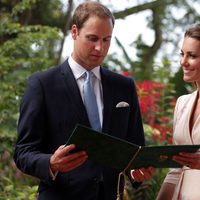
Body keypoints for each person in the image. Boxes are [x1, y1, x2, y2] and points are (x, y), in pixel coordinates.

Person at [14, 2, 154, 200]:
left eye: (107, 40)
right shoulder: (42, 85)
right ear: (74, 32)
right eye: (93, 39)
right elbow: (23, 152)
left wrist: (135, 172)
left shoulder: (125, 87)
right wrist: (51, 163)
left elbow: (135, 150)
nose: (100, 47)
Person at [156, 23, 200, 200]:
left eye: (192, 56)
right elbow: (176, 167)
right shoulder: (182, 103)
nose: (183, 62)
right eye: (182, 54)